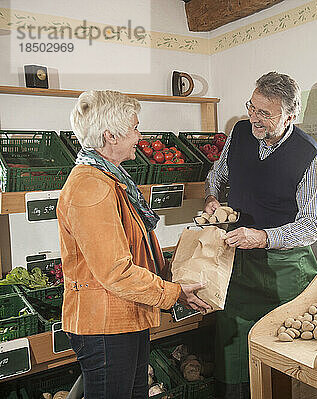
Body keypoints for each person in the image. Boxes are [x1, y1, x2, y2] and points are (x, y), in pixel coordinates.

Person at [57, 90, 212, 399]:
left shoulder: (110, 179)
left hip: (124, 315)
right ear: (111, 135)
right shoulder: (91, 188)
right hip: (105, 325)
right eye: (134, 128)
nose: (139, 137)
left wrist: (171, 266)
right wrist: (173, 293)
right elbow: (116, 272)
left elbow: (131, 247)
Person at [204, 72, 317, 398]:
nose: (253, 119)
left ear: (290, 116)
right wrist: (211, 197)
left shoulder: (309, 157)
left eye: (264, 114)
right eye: (252, 107)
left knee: (284, 355)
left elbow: (312, 225)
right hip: (239, 264)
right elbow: (217, 173)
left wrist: (263, 237)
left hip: (285, 272)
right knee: (233, 342)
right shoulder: (240, 132)